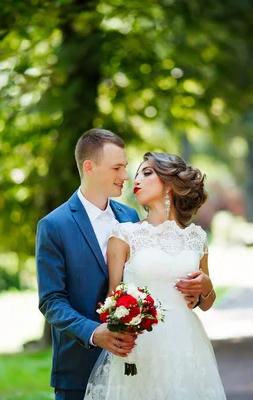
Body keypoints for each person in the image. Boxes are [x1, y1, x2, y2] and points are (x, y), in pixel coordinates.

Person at [36, 130, 208, 400]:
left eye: (126, 167)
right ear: (89, 167)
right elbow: (51, 300)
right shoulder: (54, 226)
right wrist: (94, 332)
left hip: (139, 361)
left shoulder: (130, 217)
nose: (126, 176)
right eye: (117, 168)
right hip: (79, 365)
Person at [84, 152, 227, 400]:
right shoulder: (124, 235)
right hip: (140, 347)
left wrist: (206, 285)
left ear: (170, 183)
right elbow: (112, 297)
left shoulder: (196, 238)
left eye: (147, 172)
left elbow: (206, 303)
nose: (136, 179)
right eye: (137, 173)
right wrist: (120, 326)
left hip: (186, 345)